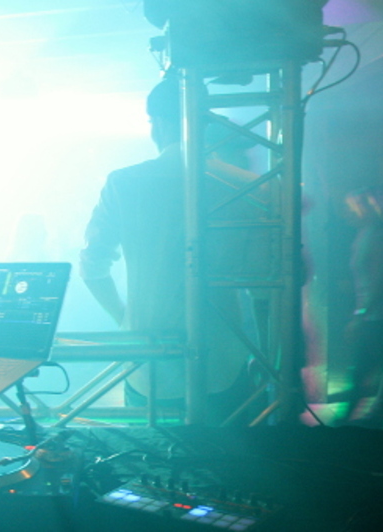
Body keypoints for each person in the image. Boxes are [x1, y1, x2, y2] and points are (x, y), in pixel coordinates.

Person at [80, 76, 256, 424]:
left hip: (149, 360)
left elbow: (92, 268)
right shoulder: (247, 185)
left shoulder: (123, 183)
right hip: (225, 358)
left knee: (150, 453)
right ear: (205, 119)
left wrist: (126, 321)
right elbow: (266, 284)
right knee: (234, 455)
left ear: (157, 122)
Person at [341, 181, 383, 429]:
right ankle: (356, 419)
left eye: (351, 207)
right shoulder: (364, 234)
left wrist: (360, 314)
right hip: (373, 315)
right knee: (364, 368)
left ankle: (372, 418)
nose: (347, 213)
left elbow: (381, 281)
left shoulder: (380, 236)